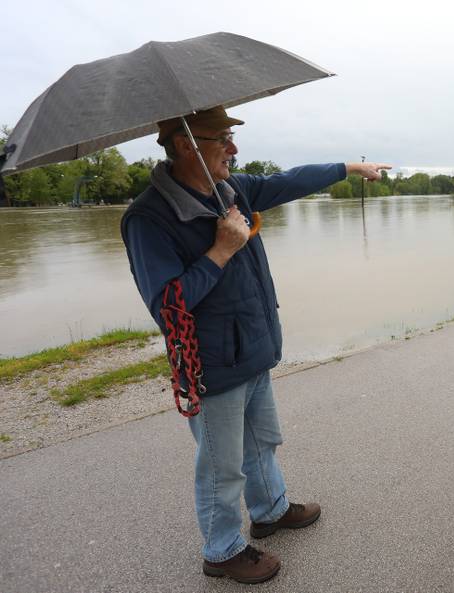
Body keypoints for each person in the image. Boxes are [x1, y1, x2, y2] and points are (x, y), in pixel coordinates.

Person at [120, 106, 390, 584]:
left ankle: (270, 509)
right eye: (222, 138)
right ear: (186, 144)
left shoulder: (233, 190)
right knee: (222, 467)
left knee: (262, 442)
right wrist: (221, 250)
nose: (234, 148)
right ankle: (221, 551)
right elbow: (167, 306)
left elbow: (290, 180)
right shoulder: (149, 218)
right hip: (211, 364)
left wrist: (349, 166)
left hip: (253, 346)